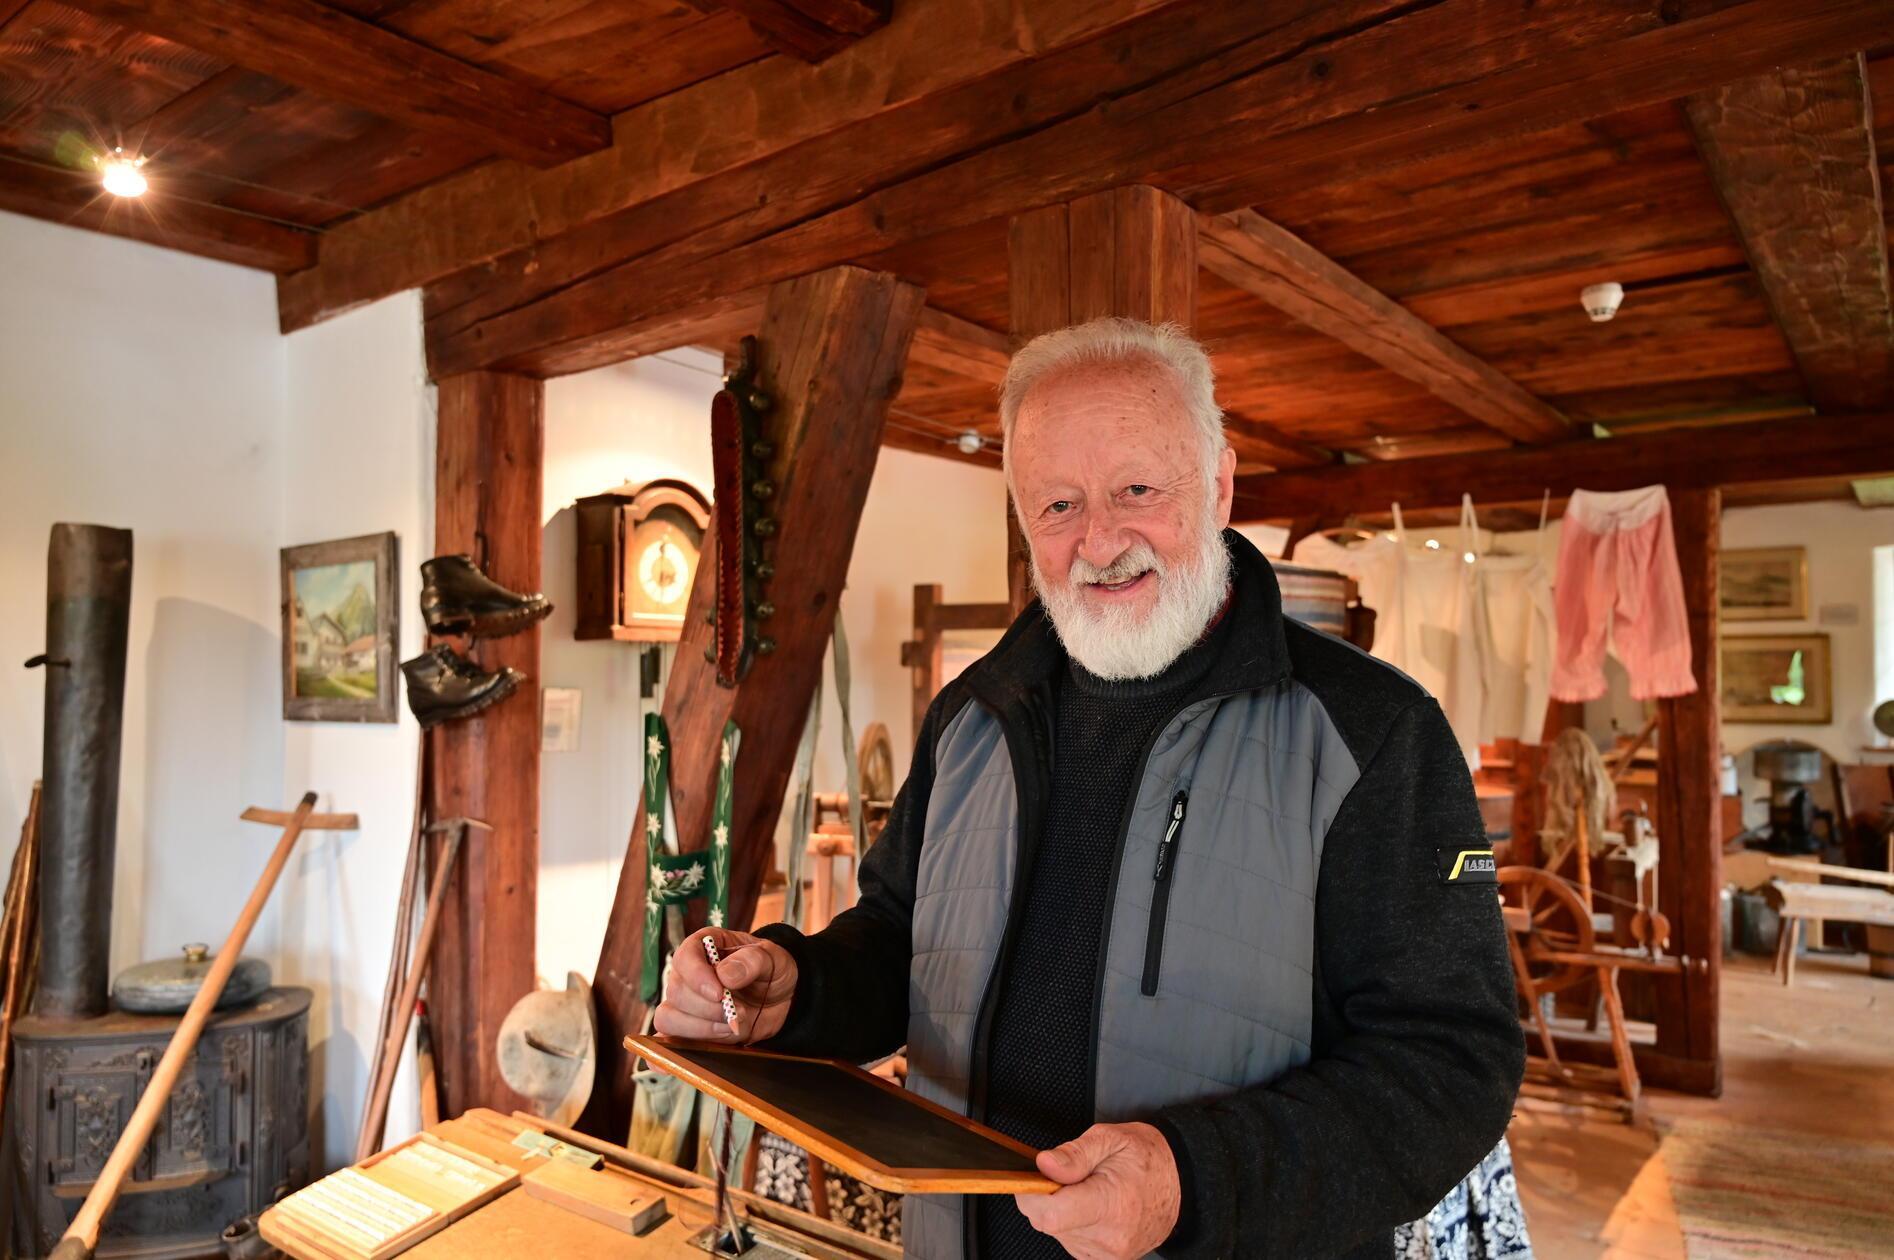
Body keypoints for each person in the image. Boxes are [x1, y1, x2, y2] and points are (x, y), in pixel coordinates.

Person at [656, 317, 1525, 1259]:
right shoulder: (972, 717)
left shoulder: (1373, 733)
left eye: (1137, 490)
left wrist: (1192, 1182)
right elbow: (904, 941)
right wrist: (799, 991)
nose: (1101, 541)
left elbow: (1452, 1064)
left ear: (1220, 484)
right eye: (1059, 505)